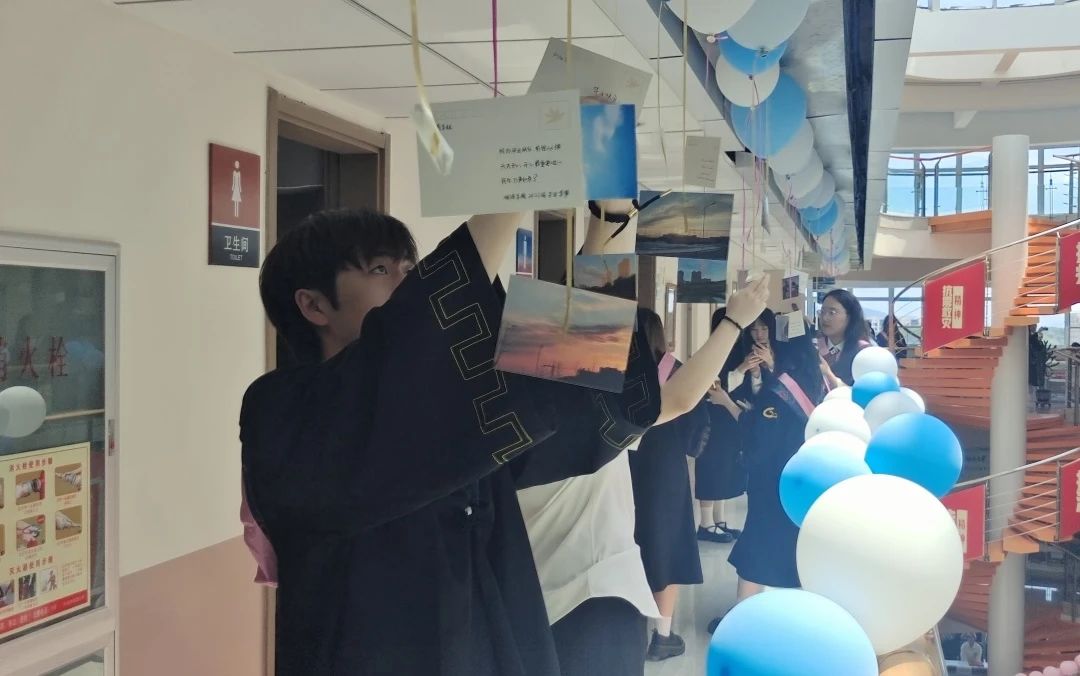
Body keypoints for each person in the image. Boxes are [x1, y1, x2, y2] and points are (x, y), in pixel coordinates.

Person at [243, 203, 770, 675]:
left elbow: (577, 373)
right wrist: (515, 179)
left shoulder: (445, 405)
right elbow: (411, 336)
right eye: (381, 270)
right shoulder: (281, 412)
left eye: (410, 267)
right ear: (313, 306)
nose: (406, 282)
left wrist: (610, 219)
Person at [516, 199, 770, 676]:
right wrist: (734, 320)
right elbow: (680, 398)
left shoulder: (507, 415)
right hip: (591, 604)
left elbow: (588, 307)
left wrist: (608, 221)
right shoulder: (589, 423)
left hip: (519, 602)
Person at [707, 322, 826, 633]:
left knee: (758, 545)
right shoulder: (813, 378)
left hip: (772, 479)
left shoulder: (780, 391)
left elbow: (758, 434)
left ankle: (740, 619)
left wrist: (726, 403)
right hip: (801, 476)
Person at [627, 309, 710, 662]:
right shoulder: (675, 371)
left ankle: (628, 628)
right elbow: (697, 430)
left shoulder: (613, 369)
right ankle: (662, 636)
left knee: (627, 542)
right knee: (666, 545)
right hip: (664, 473)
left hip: (620, 468)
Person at [695, 308, 747, 544]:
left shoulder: (738, 350)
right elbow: (715, 387)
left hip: (729, 421)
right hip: (712, 419)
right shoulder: (712, 351)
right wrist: (742, 370)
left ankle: (719, 520)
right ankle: (705, 523)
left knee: (724, 468)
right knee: (711, 467)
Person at [817, 289, 871, 387]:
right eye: (822, 311)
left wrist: (829, 375)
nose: (824, 318)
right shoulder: (814, 347)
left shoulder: (864, 352)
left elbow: (865, 392)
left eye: (832, 312)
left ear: (849, 317)